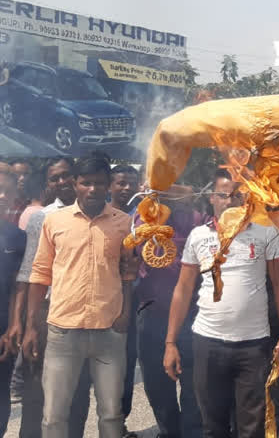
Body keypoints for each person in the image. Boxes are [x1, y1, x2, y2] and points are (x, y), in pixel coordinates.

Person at [164, 169, 279, 438]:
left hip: (254, 344)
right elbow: (183, 288)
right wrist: (170, 343)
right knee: (213, 424)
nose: (229, 201)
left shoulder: (264, 234)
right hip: (208, 341)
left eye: (236, 196)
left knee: (252, 425)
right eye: (223, 195)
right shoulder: (199, 236)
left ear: (245, 200)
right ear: (212, 199)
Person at [23, 156, 135, 438]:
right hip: (63, 330)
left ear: (108, 185)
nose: (93, 189)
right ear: (75, 184)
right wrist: (31, 326)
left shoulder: (123, 223)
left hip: (109, 331)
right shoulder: (55, 222)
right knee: (53, 415)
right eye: (86, 183)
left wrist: (125, 314)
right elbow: (39, 274)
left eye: (99, 183)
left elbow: (128, 275)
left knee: (110, 413)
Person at [8, 157, 91, 438]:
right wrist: (26, 323)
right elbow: (28, 273)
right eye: (54, 178)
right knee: (36, 393)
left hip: (84, 318)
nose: (61, 182)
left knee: (78, 393)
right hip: (47, 314)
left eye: (66, 176)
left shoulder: (101, 216)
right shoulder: (41, 218)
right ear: (48, 184)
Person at [135, 186, 205, 438]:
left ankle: (192, 433)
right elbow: (129, 253)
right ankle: (169, 431)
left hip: (192, 313)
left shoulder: (197, 219)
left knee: (194, 384)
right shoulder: (141, 217)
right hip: (152, 312)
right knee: (156, 384)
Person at [107, 164, 141, 438]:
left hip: (136, 298)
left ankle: (120, 423)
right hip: (104, 299)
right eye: (120, 182)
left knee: (126, 363)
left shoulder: (148, 214)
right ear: (110, 185)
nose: (126, 188)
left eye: (132, 182)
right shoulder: (101, 215)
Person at [0, 168, 26, 434]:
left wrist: (13, 326)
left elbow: (19, 286)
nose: (2, 195)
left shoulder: (17, 238)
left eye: (8, 190)